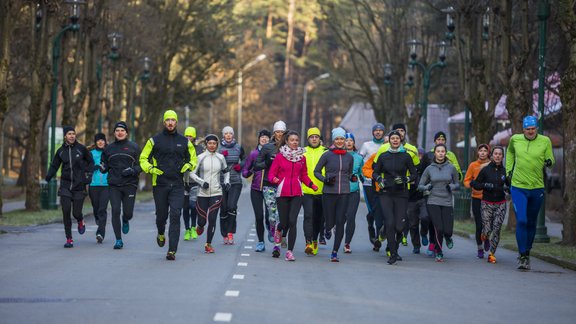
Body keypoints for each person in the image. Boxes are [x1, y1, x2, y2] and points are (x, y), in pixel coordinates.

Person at [139, 110, 197, 261]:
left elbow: (193, 158)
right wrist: (151, 169)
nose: (170, 122)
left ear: (177, 122)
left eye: (173, 120)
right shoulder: (154, 140)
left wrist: (189, 165)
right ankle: (160, 232)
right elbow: (143, 158)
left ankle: (172, 250)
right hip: (160, 184)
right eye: (168, 120)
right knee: (161, 216)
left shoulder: (184, 141)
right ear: (164, 122)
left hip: (178, 184)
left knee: (176, 215)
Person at [506, 116, 555, 270]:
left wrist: (549, 162)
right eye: (528, 129)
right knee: (522, 221)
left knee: (532, 222)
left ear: (537, 129)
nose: (530, 131)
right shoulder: (515, 139)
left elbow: (551, 158)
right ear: (523, 129)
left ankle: (527, 251)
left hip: (537, 187)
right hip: (518, 186)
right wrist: (508, 171)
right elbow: (510, 153)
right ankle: (522, 255)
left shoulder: (545, 141)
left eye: (533, 129)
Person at [269, 130, 318, 261]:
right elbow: (271, 174)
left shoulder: (302, 158)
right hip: (282, 193)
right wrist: (275, 179)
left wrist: (311, 185)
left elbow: (304, 176)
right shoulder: (280, 157)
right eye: (292, 140)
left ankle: (289, 251)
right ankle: (278, 237)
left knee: (292, 222)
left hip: (297, 193)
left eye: (296, 140)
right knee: (284, 223)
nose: (295, 142)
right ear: (287, 141)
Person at [372, 130, 418, 264]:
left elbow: (415, 174)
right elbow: (375, 173)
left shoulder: (406, 156)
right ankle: (392, 253)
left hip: (401, 194)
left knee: (399, 226)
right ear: (389, 140)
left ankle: (393, 245)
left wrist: (406, 179)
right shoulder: (383, 156)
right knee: (390, 223)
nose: (395, 140)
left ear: (400, 140)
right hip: (386, 193)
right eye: (393, 138)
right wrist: (379, 179)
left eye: (397, 138)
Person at [45, 126, 94, 248]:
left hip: (79, 186)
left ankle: (80, 220)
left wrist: (87, 176)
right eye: (69, 134)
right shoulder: (61, 151)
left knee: (76, 212)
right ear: (65, 136)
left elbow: (91, 162)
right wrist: (47, 178)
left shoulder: (81, 149)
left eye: (73, 133)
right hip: (65, 186)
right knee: (66, 211)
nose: (72, 136)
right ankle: (69, 239)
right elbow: (54, 166)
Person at [314, 127, 354, 262]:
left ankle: (335, 251)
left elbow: (349, 173)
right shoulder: (327, 155)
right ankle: (327, 228)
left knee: (340, 222)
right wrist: (325, 179)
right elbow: (316, 171)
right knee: (330, 221)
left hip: (344, 192)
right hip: (329, 193)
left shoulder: (349, 156)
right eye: (337, 139)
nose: (339, 141)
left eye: (342, 138)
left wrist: (351, 178)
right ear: (333, 140)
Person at [101, 121, 142, 249]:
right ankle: (118, 240)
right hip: (114, 184)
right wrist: (102, 168)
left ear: (126, 133)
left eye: (122, 130)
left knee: (128, 213)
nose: (119, 132)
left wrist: (133, 170)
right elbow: (105, 165)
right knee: (115, 210)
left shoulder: (134, 147)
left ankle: (126, 219)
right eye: (117, 130)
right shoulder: (109, 148)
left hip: (130, 183)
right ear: (114, 133)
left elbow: (142, 165)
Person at [420, 131, 462, 256]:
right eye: (438, 151)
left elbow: (457, 183)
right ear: (435, 152)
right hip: (433, 200)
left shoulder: (451, 167)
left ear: (446, 153)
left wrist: (452, 186)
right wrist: (427, 187)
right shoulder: (429, 167)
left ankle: (448, 237)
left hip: (447, 201)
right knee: (438, 228)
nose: (440, 153)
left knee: (447, 230)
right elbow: (421, 185)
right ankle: (438, 251)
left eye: (442, 151)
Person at [191, 134, 229, 254]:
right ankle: (200, 226)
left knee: (212, 219)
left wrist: (227, 182)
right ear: (206, 144)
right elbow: (192, 173)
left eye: (214, 143)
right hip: (202, 193)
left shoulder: (220, 157)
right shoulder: (200, 157)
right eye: (210, 143)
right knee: (202, 221)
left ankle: (208, 244)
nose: (212, 145)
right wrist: (201, 182)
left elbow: (226, 171)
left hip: (217, 192)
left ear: (217, 145)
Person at [471, 146, 507, 264]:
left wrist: (509, 189)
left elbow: (510, 185)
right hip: (487, 203)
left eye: (500, 154)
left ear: (502, 156)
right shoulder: (486, 170)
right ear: (491, 156)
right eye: (495, 154)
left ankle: (492, 254)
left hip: (500, 204)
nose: (497, 156)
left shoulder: (505, 171)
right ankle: (484, 236)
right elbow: (475, 184)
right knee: (487, 230)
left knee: (496, 229)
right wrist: (485, 185)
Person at [255, 120, 286, 258]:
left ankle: (277, 245)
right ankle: (273, 231)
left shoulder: (290, 146)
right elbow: (257, 165)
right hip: (269, 185)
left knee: (282, 216)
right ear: (274, 133)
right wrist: (268, 162)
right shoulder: (267, 147)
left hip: (285, 185)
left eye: (282, 132)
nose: (279, 134)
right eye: (277, 132)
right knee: (273, 217)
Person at [242, 129, 271, 252]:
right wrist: (250, 171)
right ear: (259, 139)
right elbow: (244, 172)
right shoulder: (254, 154)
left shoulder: (273, 153)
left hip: (269, 188)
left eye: (266, 137)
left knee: (270, 217)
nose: (264, 139)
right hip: (256, 190)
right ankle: (260, 242)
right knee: (259, 216)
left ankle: (270, 228)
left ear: (270, 140)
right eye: (262, 137)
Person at [358, 123, 386, 248]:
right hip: (368, 182)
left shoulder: (387, 145)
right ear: (373, 132)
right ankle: (371, 227)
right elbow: (359, 162)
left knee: (380, 209)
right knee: (373, 210)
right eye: (376, 131)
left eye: (380, 131)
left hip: (382, 184)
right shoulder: (366, 145)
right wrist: (360, 175)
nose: (378, 132)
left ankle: (378, 238)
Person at [302, 127, 327, 256]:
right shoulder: (302, 152)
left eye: (316, 136)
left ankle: (315, 240)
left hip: (322, 191)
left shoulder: (325, 152)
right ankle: (308, 243)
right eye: (312, 137)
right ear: (308, 139)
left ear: (319, 138)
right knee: (308, 216)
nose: (314, 139)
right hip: (306, 190)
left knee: (318, 219)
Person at [218, 126, 245, 245]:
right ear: (223, 135)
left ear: (233, 135)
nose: (228, 135)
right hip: (221, 181)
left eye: (230, 133)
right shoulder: (218, 148)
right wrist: (221, 158)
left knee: (231, 206)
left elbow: (245, 160)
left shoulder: (238, 147)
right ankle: (224, 234)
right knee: (223, 208)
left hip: (235, 181)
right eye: (226, 133)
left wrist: (241, 166)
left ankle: (230, 233)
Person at [464, 143, 491, 258]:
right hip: (476, 198)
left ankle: (486, 238)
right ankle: (480, 248)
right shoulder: (473, 165)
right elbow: (466, 180)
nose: (483, 153)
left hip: (489, 198)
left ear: (488, 153)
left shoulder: (491, 165)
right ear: (478, 152)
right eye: (481, 151)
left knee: (488, 224)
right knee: (479, 225)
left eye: (485, 151)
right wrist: (470, 184)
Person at [183, 126, 204, 241]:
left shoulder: (199, 149)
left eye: (190, 136)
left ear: (194, 136)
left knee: (193, 206)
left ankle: (193, 227)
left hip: (195, 181)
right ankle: (187, 230)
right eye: (186, 136)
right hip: (183, 181)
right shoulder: (181, 147)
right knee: (185, 207)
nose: (188, 138)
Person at [343, 132, 363, 253]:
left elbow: (362, 173)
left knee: (351, 217)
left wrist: (366, 179)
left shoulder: (359, 157)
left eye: (351, 140)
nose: (349, 142)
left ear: (354, 143)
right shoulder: (338, 156)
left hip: (353, 191)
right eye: (346, 140)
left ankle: (347, 243)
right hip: (340, 191)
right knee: (341, 217)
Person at [88, 133, 109, 244]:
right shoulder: (91, 153)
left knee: (102, 209)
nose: (101, 142)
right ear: (95, 142)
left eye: (102, 140)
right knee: (96, 209)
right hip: (93, 185)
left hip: (106, 185)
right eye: (98, 140)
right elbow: (85, 167)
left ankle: (100, 233)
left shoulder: (109, 152)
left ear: (105, 142)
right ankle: (98, 219)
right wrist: (94, 167)